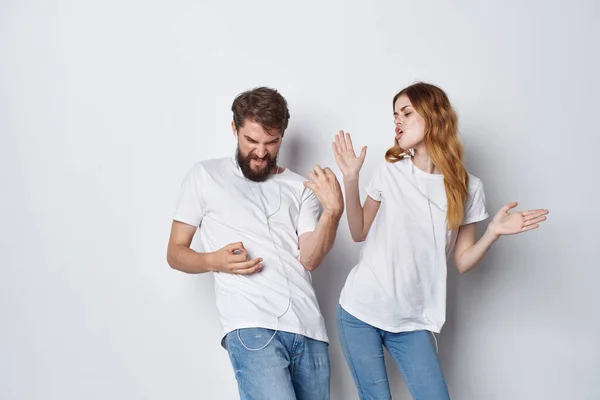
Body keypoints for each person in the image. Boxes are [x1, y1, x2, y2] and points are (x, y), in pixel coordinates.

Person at [332, 82, 549, 399]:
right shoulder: (390, 170)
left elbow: (462, 262)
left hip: (414, 320)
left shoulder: (467, 187)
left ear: (434, 116)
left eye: (406, 112)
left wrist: (492, 233)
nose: (398, 121)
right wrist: (350, 180)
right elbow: (358, 231)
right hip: (360, 311)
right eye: (395, 115)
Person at [167, 87, 343, 400]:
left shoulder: (300, 188)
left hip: (309, 329)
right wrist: (214, 261)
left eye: (271, 142)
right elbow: (175, 252)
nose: (261, 152)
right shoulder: (205, 176)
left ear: (282, 137)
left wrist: (333, 212)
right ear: (234, 129)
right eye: (251, 141)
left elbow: (310, 259)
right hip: (252, 326)